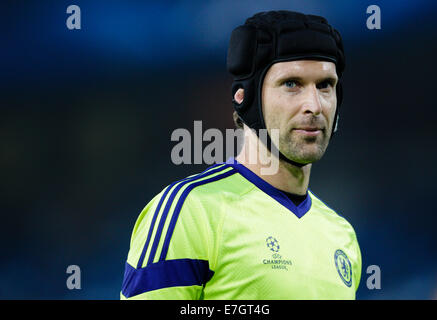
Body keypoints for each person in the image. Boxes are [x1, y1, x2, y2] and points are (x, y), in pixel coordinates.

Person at [120, 10, 362, 300]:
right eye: (291, 84)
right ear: (245, 98)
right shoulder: (191, 211)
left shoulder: (341, 234)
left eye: (325, 86)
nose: (314, 105)